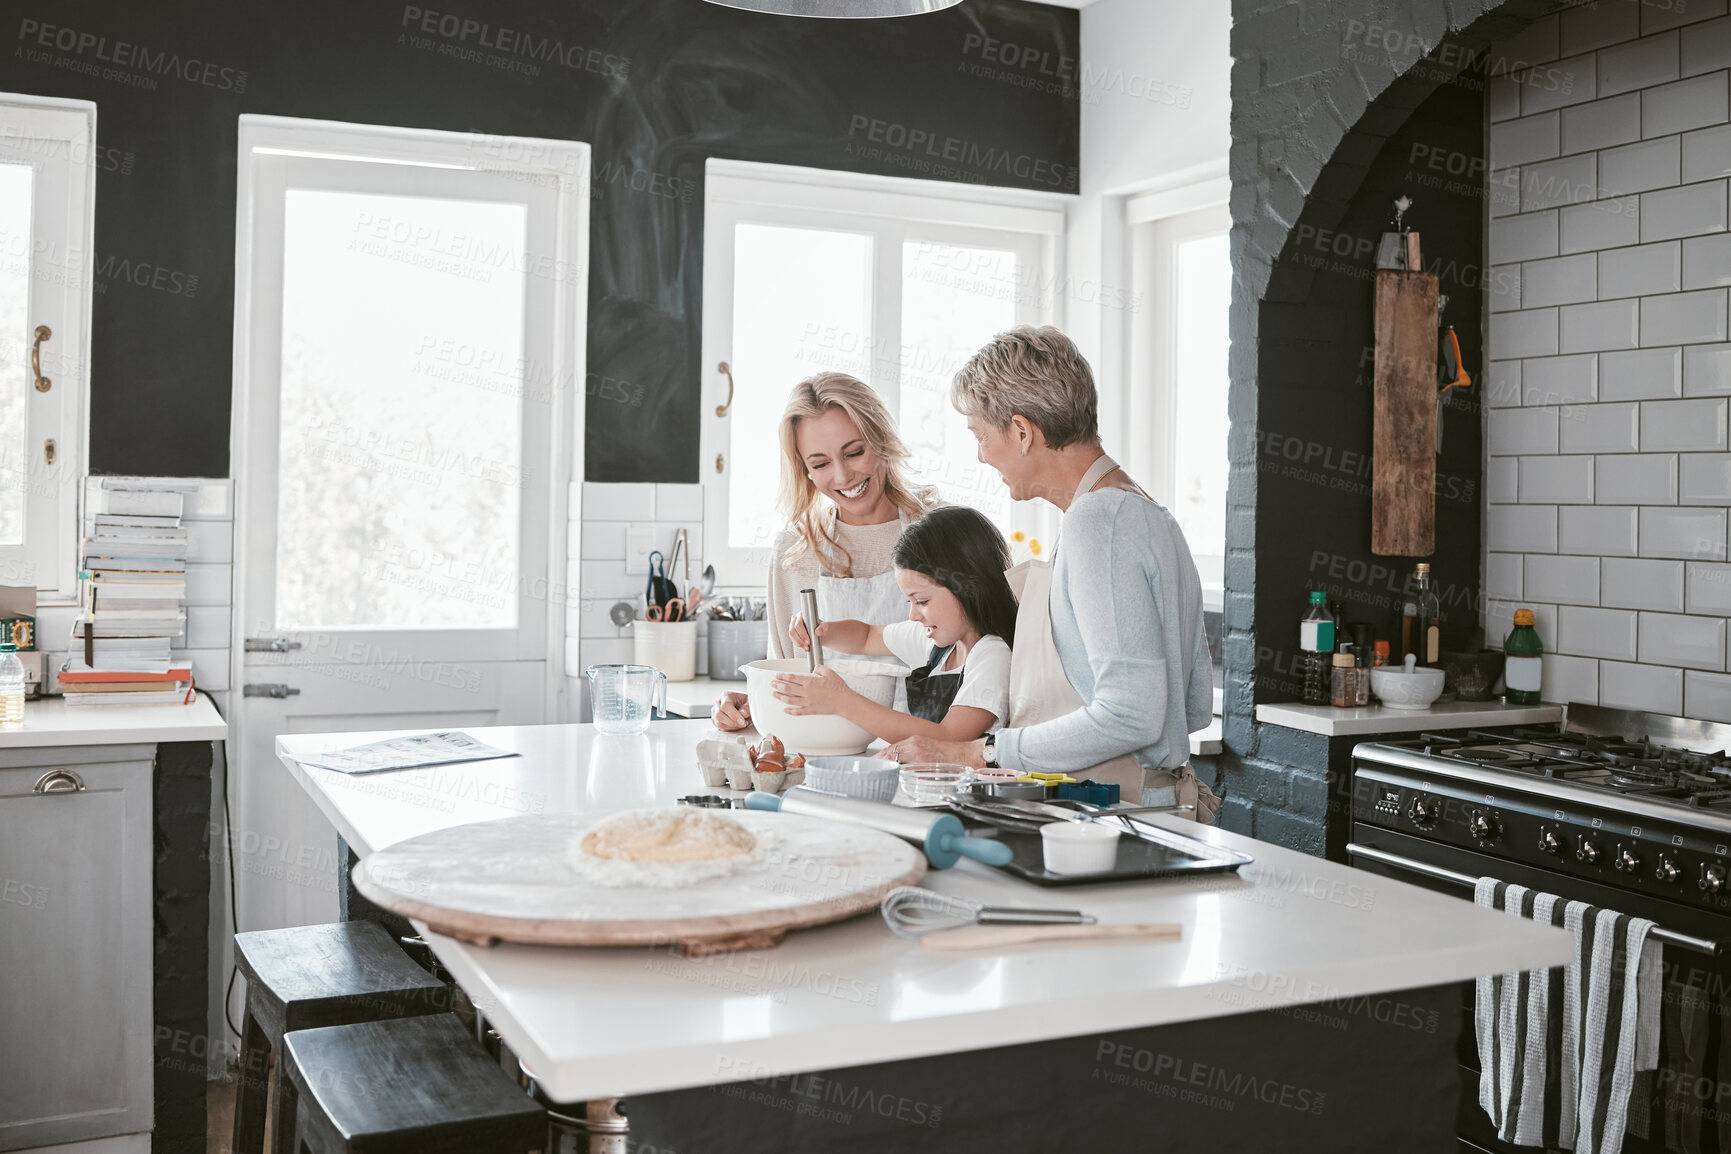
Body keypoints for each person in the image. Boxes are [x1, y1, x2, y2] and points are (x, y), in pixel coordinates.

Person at [888, 325, 1220, 822]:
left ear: (1022, 432)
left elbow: (1132, 714)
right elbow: (1191, 706)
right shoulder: (1151, 515)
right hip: (1159, 804)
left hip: (1118, 814)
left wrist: (981, 753)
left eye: (981, 436)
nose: (981, 454)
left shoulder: (1097, 524)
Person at [712, 372, 937, 731]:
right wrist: (748, 704)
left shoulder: (944, 533)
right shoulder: (795, 553)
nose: (843, 475)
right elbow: (783, 677)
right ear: (806, 471)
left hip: (929, 761)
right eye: (820, 464)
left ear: (880, 440)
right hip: (821, 761)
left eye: (855, 452)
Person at [771, 506, 1014, 743]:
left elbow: (948, 738)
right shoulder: (938, 646)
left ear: (969, 589)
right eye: (909, 601)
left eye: (922, 601)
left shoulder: (992, 655)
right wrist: (822, 630)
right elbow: (867, 637)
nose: (913, 615)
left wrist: (841, 701)